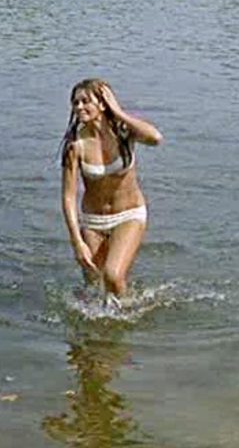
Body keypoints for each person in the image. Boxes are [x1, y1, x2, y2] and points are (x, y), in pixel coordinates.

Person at [60, 79, 163, 303]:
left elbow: (155, 138)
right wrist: (77, 243)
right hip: (93, 221)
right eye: (75, 102)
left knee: (113, 276)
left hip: (129, 215)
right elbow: (68, 197)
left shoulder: (124, 132)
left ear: (103, 104)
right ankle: (100, 331)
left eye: (85, 101)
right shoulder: (75, 145)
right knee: (94, 286)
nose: (78, 107)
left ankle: (125, 317)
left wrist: (118, 112)